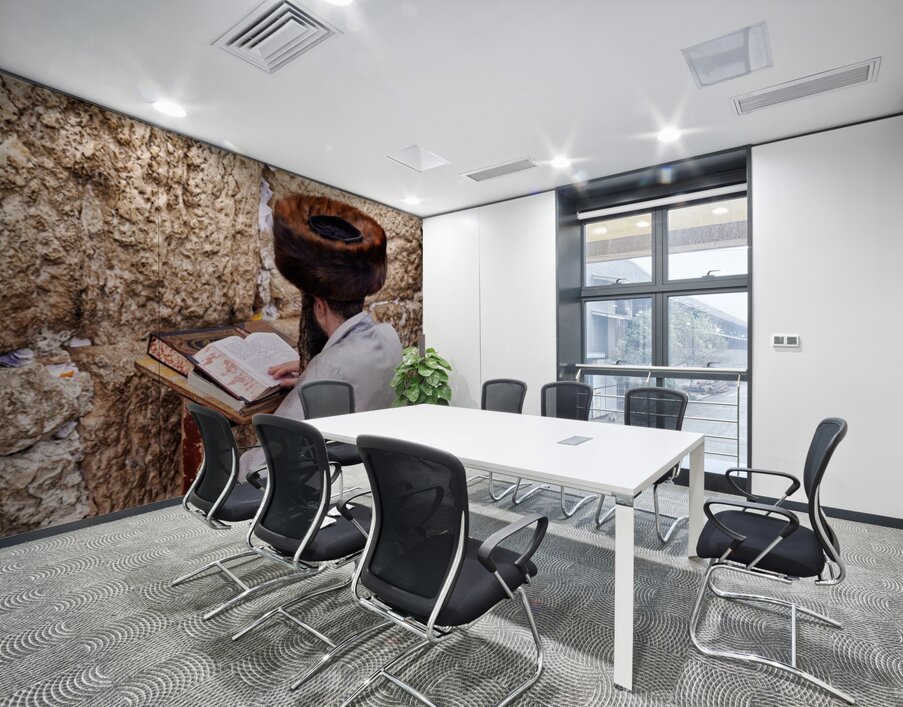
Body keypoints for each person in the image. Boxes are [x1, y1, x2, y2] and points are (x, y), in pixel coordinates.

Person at [238, 193, 402, 481]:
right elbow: (356, 371)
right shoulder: (390, 337)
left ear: (319, 306)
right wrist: (310, 372)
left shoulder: (326, 369)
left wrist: (240, 466)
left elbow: (267, 458)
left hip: (333, 481)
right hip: (376, 472)